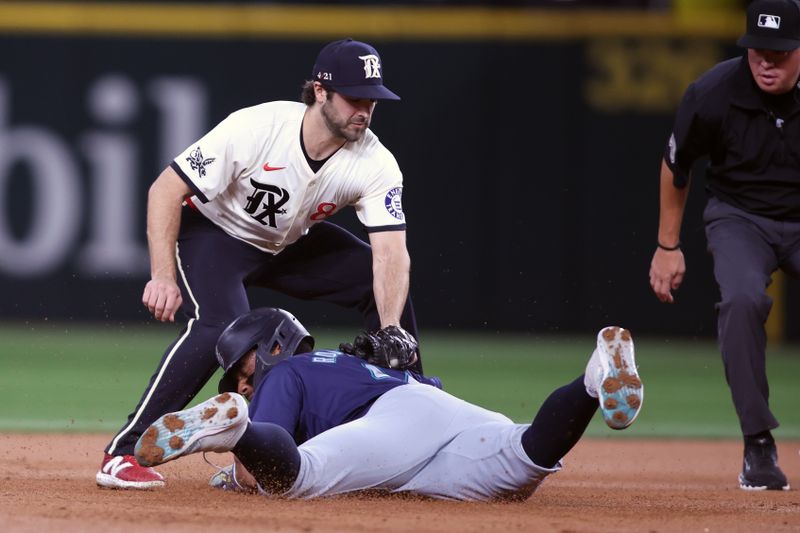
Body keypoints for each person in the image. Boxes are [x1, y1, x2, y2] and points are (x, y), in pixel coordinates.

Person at [96, 38, 421, 490]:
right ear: (321, 92)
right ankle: (123, 452)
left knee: (384, 285)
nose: (364, 110)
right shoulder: (257, 127)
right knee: (219, 324)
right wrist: (162, 275)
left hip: (289, 243)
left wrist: (390, 329)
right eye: (353, 98)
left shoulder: (375, 161)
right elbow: (165, 190)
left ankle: (416, 425)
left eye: (371, 99)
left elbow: (391, 252)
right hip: (215, 234)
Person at [132, 307, 644, 501]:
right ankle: (592, 380)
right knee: (524, 457)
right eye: (242, 386)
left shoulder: (284, 373)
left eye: (244, 374)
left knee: (291, 480)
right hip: (434, 408)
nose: (246, 385)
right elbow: (423, 394)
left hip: (393, 423)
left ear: (272, 348)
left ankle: (234, 431)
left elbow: (256, 478)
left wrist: (240, 465)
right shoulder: (342, 362)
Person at [648, 0, 800, 491]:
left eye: (779, 53)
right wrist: (667, 245)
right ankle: (758, 443)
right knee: (741, 300)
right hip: (741, 218)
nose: (766, 62)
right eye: (758, 50)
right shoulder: (713, 91)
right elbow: (677, 165)